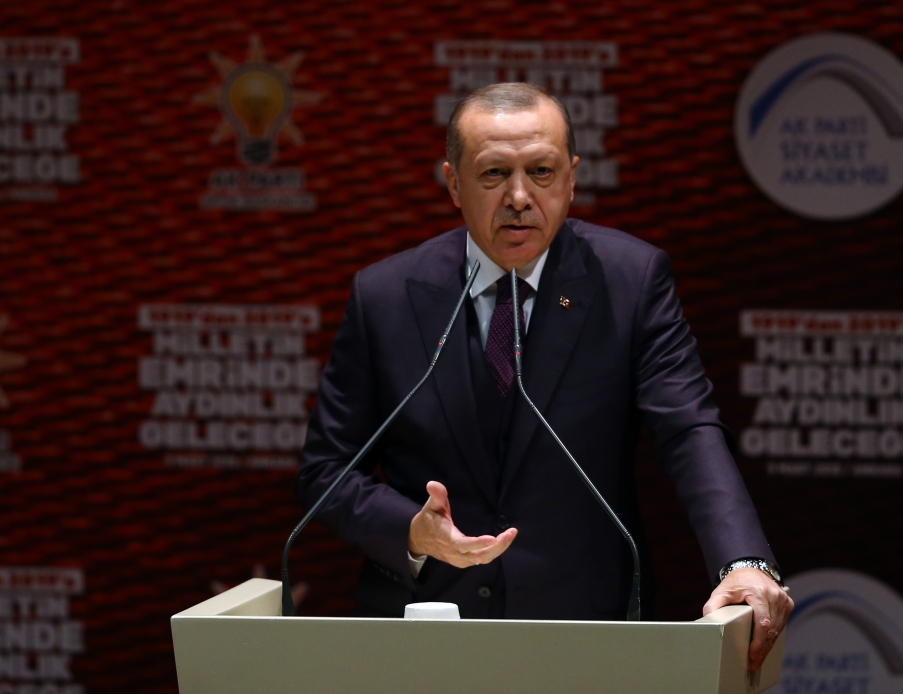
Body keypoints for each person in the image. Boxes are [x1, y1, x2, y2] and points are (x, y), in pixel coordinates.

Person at [297, 82, 792, 669]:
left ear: (573, 178)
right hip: (421, 636)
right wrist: (410, 530)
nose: (519, 196)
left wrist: (744, 563)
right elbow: (326, 473)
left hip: (585, 635)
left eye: (541, 171)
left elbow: (688, 430)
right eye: (492, 175)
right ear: (453, 183)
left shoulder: (630, 282)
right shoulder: (385, 296)